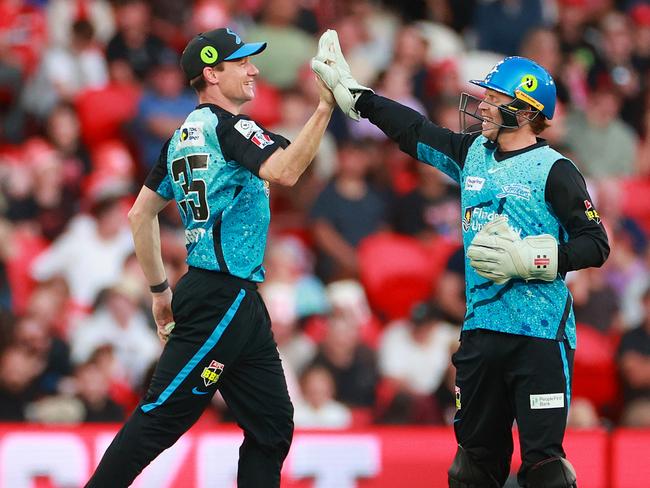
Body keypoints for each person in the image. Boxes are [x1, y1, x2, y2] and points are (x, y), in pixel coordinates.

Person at [312, 31, 609, 487]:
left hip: (540, 336)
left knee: (545, 467)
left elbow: (596, 242)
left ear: (527, 111)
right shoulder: (472, 154)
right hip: (480, 334)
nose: (483, 106)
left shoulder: (556, 170)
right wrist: (359, 97)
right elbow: (414, 131)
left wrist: (536, 260)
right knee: (473, 466)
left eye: (494, 98)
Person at [86, 27, 335, 488]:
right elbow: (286, 170)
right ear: (212, 73)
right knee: (161, 416)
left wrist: (161, 293)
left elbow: (141, 215)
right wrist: (325, 107)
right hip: (223, 293)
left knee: (273, 424)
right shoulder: (231, 127)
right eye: (241, 62)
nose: (253, 69)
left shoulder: (183, 135)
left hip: (233, 297)